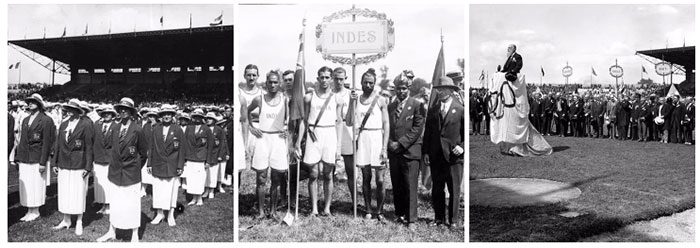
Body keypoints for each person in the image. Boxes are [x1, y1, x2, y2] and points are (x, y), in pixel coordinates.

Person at [97, 97, 148, 242]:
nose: (123, 111)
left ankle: (134, 234)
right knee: (116, 202)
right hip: (115, 172)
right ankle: (112, 230)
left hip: (130, 173)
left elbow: (143, 154)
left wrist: (135, 166)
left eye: (126, 109)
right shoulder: (115, 128)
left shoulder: (137, 129)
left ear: (132, 112)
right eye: (121, 109)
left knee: (131, 203)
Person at [295, 66, 343, 216]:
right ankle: (314, 209)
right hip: (313, 134)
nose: (324, 80)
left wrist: (339, 146)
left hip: (330, 134)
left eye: (327, 77)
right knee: (314, 173)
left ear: (331, 79)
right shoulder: (309, 97)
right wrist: (298, 142)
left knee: (328, 174)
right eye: (321, 77)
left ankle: (327, 208)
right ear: (318, 78)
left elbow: (339, 121)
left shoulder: (337, 98)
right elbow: (304, 120)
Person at [346, 68, 390, 220]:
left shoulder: (381, 100)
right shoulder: (356, 99)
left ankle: (380, 210)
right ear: (361, 83)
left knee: (380, 179)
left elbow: (386, 124)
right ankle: (368, 209)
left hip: (377, 137)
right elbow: (350, 121)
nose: (368, 85)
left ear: (374, 83)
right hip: (363, 137)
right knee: (365, 177)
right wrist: (351, 102)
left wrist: (384, 147)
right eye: (365, 82)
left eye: (371, 83)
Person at [423, 76, 464, 228]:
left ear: (451, 91)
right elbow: (428, 133)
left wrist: (463, 146)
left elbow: (466, 132)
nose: (440, 92)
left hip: (454, 157)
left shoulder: (460, 109)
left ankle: (453, 221)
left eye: (443, 89)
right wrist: (426, 152)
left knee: (454, 189)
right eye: (438, 89)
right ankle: (439, 218)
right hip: (436, 155)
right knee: (437, 189)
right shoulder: (433, 110)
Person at [247, 71, 289, 218]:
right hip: (262, 139)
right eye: (270, 82)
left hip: (278, 140)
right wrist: (252, 128)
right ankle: (260, 211)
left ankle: (273, 211)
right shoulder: (259, 99)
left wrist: (288, 131)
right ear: (266, 82)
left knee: (276, 178)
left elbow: (293, 120)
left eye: (275, 82)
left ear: (280, 83)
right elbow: (245, 112)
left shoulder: (285, 100)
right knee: (261, 178)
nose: (272, 85)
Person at [387, 72, 425, 228]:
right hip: (394, 153)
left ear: (409, 88)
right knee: (397, 185)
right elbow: (387, 127)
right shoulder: (390, 106)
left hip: (410, 152)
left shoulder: (417, 105)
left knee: (410, 186)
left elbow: (417, 129)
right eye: (398, 89)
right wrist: (389, 143)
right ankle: (399, 213)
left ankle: (412, 219)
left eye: (403, 88)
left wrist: (401, 143)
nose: (401, 91)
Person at [52, 98, 94, 236]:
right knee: (64, 192)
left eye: (72, 110)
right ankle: (66, 220)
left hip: (79, 164)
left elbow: (89, 146)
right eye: (67, 109)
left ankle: (79, 221)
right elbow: (58, 144)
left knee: (78, 192)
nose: (68, 112)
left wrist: (88, 167)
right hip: (64, 163)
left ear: (77, 111)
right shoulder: (63, 124)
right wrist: (55, 162)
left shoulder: (85, 124)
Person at [15, 93, 55, 222]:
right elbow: (22, 140)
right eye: (29, 102)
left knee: (36, 183)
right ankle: (29, 209)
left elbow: (47, 143)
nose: (30, 104)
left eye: (33, 102)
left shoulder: (46, 120)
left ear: (39, 104)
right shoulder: (26, 119)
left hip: (37, 157)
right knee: (26, 182)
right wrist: (18, 157)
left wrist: (43, 162)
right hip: (25, 157)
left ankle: (36, 210)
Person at [147, 104, 184, 226]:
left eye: (169, 114)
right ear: (161, 116)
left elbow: (182, 149)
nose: (166, 116)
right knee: (158, 190)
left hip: (172, 165)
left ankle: (170, 214)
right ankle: (159, 213)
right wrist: (149, 164)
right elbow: (151, 147)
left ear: (172, 116)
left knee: (171, 190)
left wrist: (180, 166)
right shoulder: (156, 129)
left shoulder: (177, 129)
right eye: (164, 114)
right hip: (158, 164)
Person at [332, 67, 356, 206]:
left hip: (346, 132)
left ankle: (354, 202)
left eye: (341, 79)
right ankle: (327, 202)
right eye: (336, 79)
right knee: (328, 171)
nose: (339, 81)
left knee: (350, 170)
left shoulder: (350, 95)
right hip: (330, 130)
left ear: (345, 79)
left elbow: (352, 117)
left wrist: (353, 102)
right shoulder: (329, 94)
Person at [182, 109, 215, 206]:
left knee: (200, 178)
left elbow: (210, 146)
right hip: (190, 157)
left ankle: (199, 198)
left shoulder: (207, 129)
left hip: (201, 158)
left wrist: (208, 161)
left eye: (199, 117)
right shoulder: (189, 128)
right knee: (191, 178)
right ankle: (193, 198)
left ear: (202, 118)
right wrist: (184, 158)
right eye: (195, 117)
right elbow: (184, 143)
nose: (197, 119)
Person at [93, 105, 118, 214]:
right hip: (98, 158)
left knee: (109, 182)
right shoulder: (97, 126)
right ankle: (103, 204)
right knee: (101, 182)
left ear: (112, 115)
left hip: (110, 159)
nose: (107, 115)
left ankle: (110, 205)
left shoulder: (116, 126)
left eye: (109, 113)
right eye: (104, 113)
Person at [203, 112, 228, 199]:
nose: (208, 120)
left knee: (213, 173)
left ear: (214, 120)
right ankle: (206, 189)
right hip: (206, 154)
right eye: (207, 119)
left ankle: (211, 190)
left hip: (215, 154)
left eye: (210, 119)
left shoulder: (218, 129)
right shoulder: (204, 128)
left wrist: (220, 155)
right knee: (206, 173)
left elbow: (222, 143)